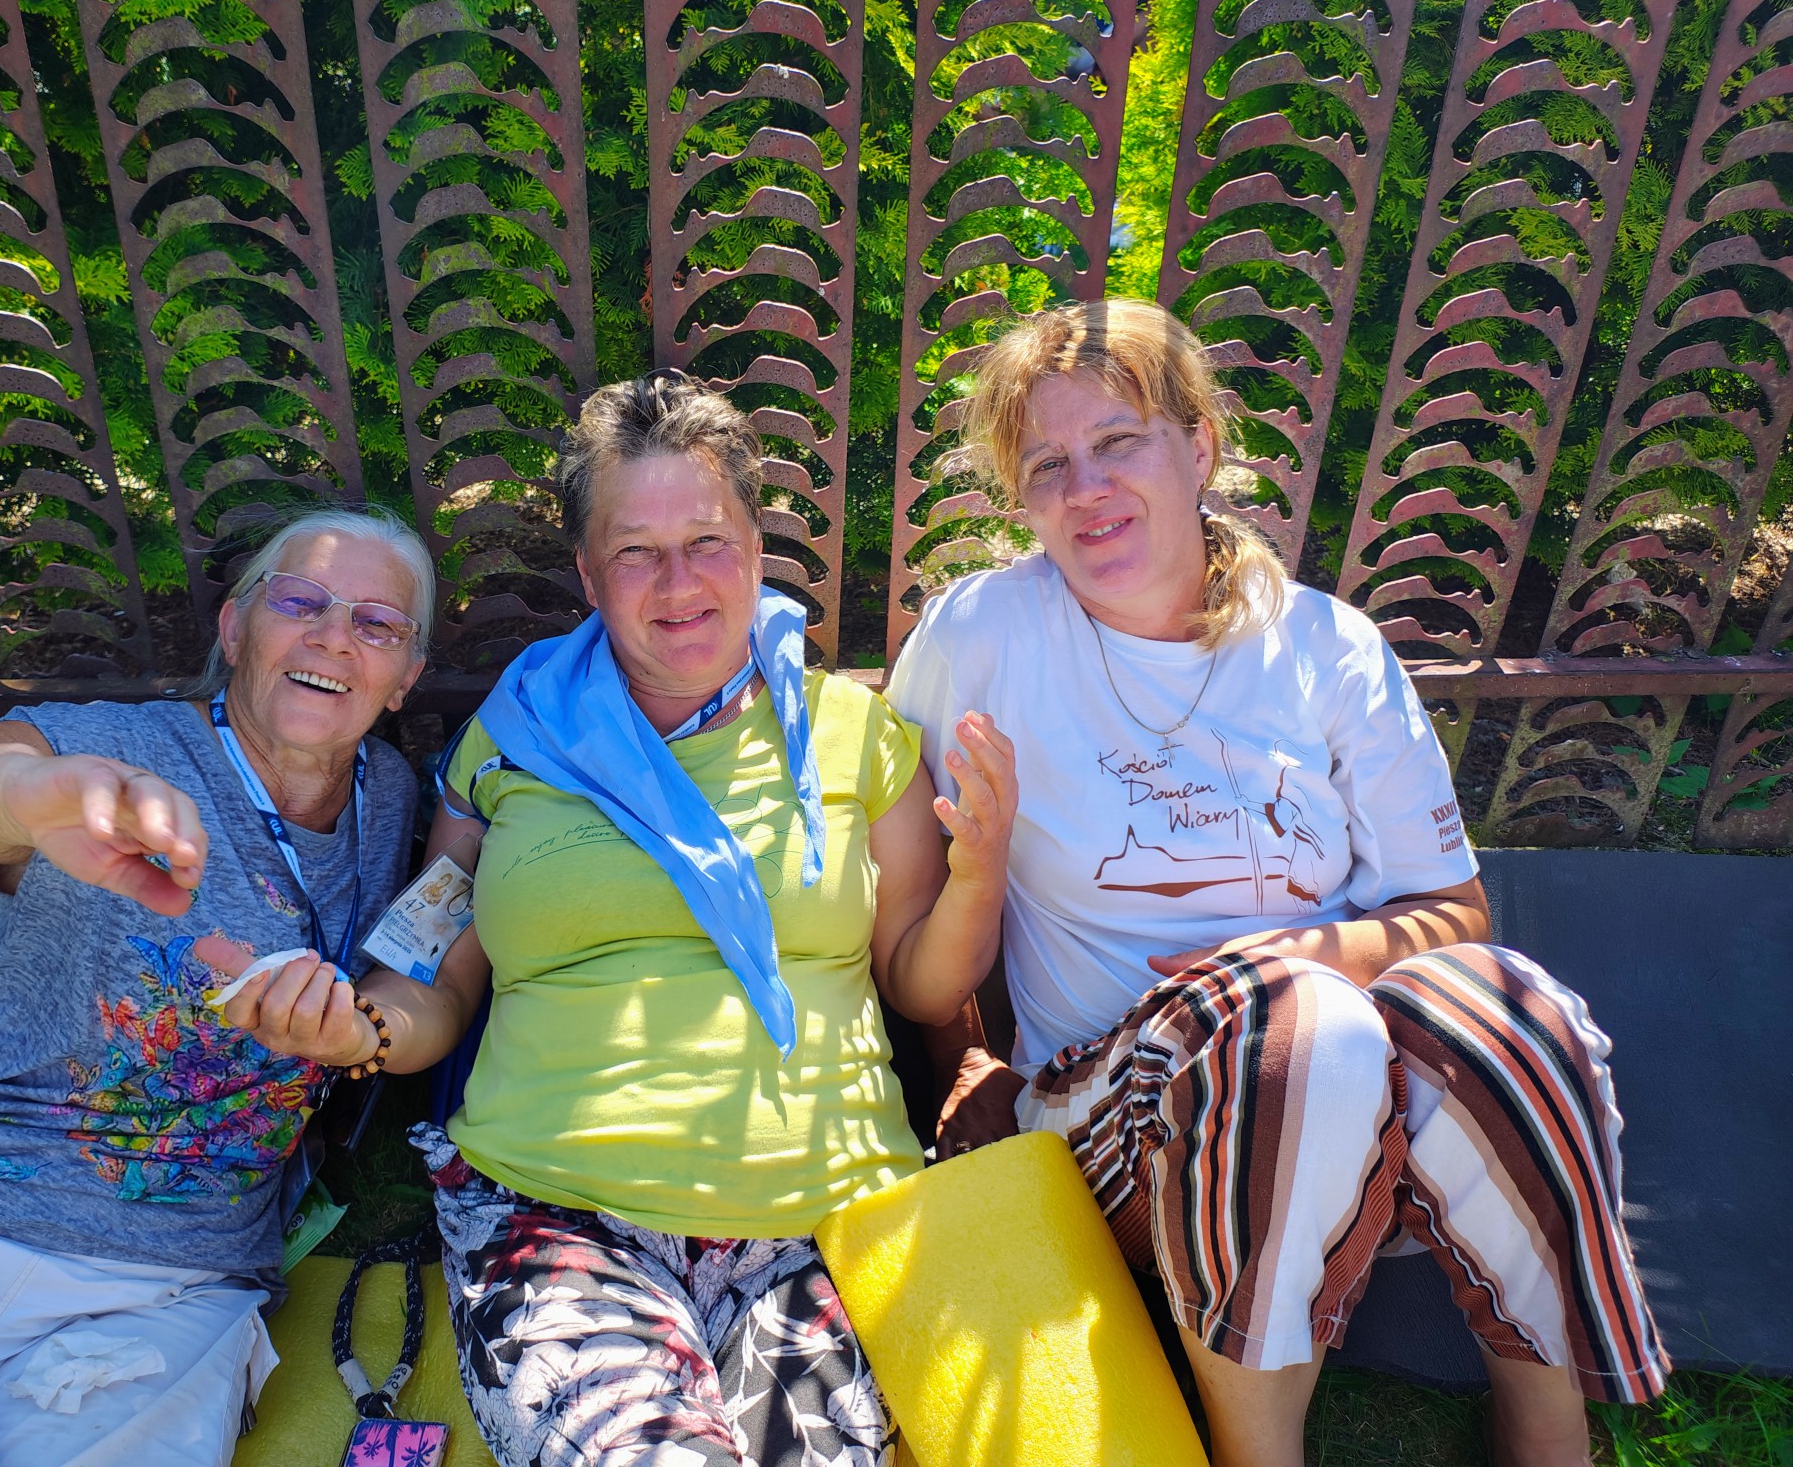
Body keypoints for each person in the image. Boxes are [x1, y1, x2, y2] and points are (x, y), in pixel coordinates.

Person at [886, 301, 1668, 1467]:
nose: (1085, 487)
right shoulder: (984, 636)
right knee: (1299, 1031)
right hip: (1123, 1124)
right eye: (1045, 465)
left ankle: (1543, 1430)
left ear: (1198, 446)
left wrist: (1300, 957)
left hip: (1347, 1090)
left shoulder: (1323, 648)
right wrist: (960, 1050)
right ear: (1023, 500)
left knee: (1508, 1010)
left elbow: (1452, 915)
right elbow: (907, 906)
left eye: (1117, 442)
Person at [0, 508, 451, 1467]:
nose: (334, 636)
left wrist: (358, 1029)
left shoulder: (392, 799)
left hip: (159, 1286)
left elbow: (421, 987)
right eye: (300, 602)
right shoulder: (110, 754)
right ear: (235, 627)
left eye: (377, 624)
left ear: (406, 675)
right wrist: (8, 794)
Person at [402, 371, 1017, 1467]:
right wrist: (368, 1026)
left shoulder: (853, 735)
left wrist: (979, 872)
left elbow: (920, 982)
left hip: (828, 1225)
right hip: (557, 1211)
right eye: (636, 551)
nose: (678, 582)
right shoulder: (512, 736)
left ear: (755, 548)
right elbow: (429, 957)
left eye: (708, 542)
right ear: (588, 573)